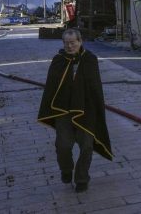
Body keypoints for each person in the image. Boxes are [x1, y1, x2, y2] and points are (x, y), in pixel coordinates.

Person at [37, 28, 112, 192]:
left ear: (80, 42)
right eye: (66, 43)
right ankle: (66, 169)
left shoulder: (90, 59)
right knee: (63, 145)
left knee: (86, 146)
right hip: (63, 111)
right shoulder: (58, 60)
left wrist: (97, 108)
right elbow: (51, 87)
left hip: (86, 111)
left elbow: (95, 86)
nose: (70, 46)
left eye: (73, 42)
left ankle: (82, 179)